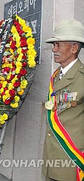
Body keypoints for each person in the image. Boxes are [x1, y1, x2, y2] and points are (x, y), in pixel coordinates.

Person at [43, 20, 84, 181]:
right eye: (54, 44)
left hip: (71, 158)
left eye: (58, 44)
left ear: (74, 48)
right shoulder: (56, 76)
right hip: (51, 156)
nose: (54, 49)